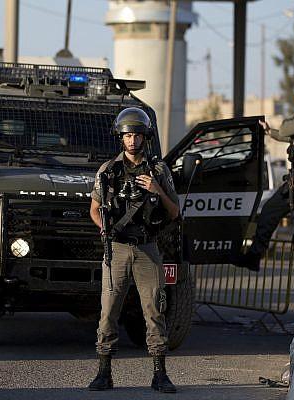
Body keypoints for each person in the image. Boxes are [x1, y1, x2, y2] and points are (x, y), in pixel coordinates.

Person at [88, 107, 180, 393]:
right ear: (121, 137)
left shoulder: (158, 171)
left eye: (137, 135)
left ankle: (160, 374)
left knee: (155, 312)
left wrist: (157, 190)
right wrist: (104, 227)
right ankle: (104, 372)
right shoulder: (108, 171)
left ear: (145, 137)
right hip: (116, 249)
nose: (132, 140)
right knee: (108, 312)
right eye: (127, 135)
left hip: (147, 248)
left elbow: (174, 212)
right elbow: (94, 209)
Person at [231, 88, 294, 272]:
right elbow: (289, 135)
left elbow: (287, 128)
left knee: (271, 211)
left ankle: (254, 255)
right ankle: (254, 256)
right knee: (270, 211)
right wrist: (268, 131)